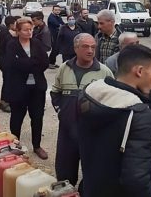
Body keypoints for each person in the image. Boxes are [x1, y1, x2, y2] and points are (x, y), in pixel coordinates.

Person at [78, 44, 151, 197]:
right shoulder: (139, 114)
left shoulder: (89, 93)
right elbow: (136, 177)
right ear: (139, 71)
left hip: (91, 186)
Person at [50, 33, 113, 187]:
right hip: (67, 131)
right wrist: (61, 111)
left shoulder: (104, 72)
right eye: (85, 46)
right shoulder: (65, 68)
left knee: (92, 171)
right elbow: (55, 92)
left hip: (92, 132)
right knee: (64, 170)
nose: (90, 50)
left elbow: (112, 101)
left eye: (93, 47)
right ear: (75, 48)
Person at [4, 18, 49, 160]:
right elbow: (12, 64)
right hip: (19, 87)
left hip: (37, 88)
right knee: (17, 117)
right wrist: (32, 63)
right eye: (25, 30)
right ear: (18, 31)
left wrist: (26, 63)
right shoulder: (12, 45)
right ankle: (15, 144)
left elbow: (45, 63)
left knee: (37, 117)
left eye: (31, 29)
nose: (29, 32)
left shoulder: (36, 43)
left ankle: (37, 145)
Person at [0, 16, 18, 113]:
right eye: (16, 24)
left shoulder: (11, 33)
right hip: (6, 61)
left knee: (11, 81)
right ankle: (4, 102)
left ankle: (10, 100)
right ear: (11, 25)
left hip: (11, 62)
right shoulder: (5, 34)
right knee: (7, 81)